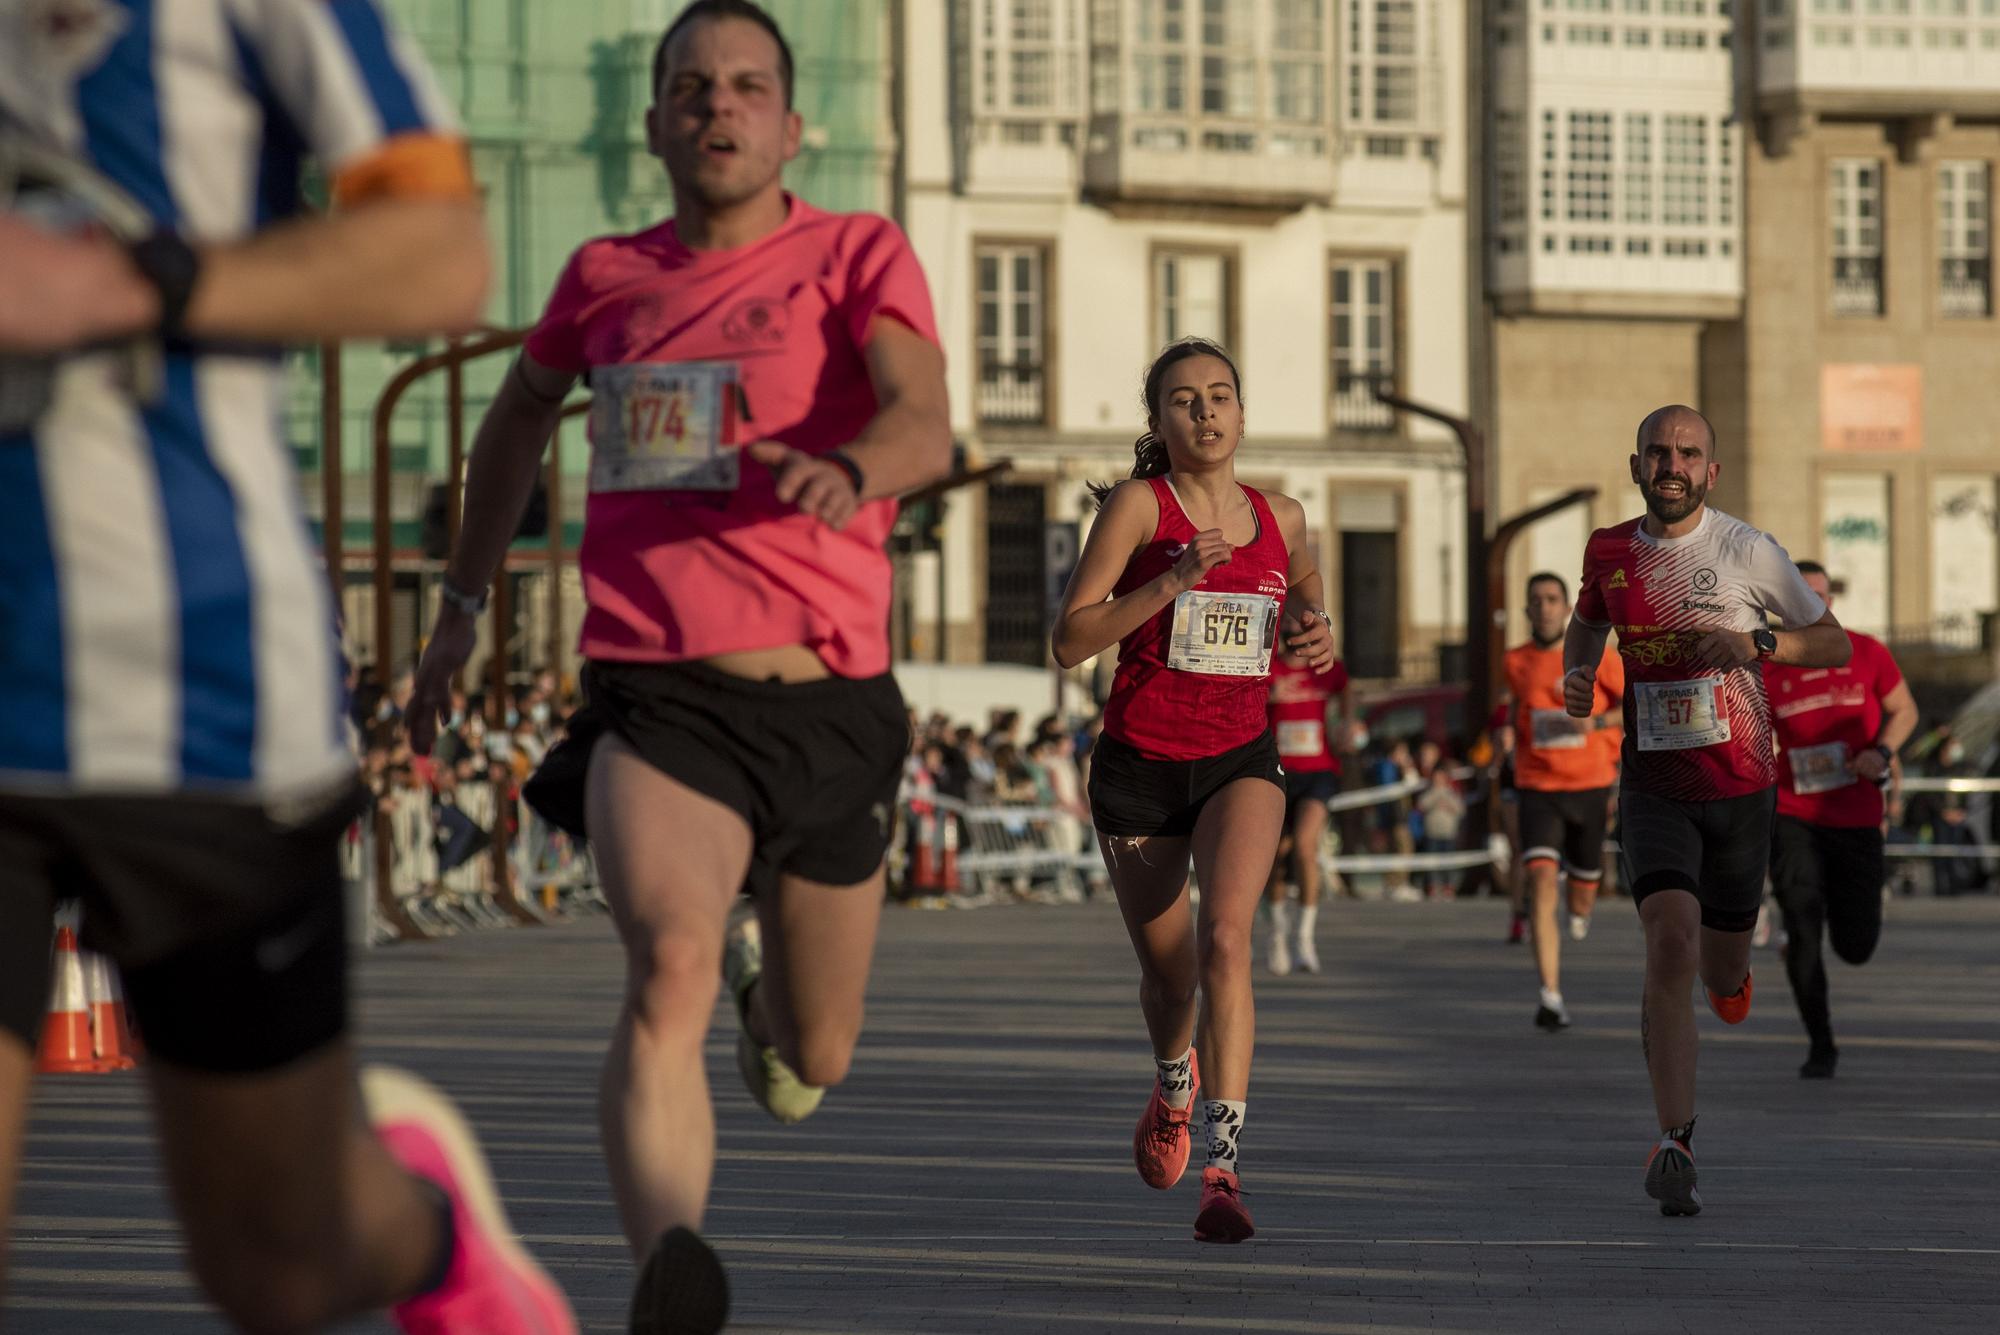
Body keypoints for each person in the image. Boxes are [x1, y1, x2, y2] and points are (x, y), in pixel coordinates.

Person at [0, 3, 579, 1331]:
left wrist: (127, 283)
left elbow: (440, 254)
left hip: (192, 678)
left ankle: (430, 1236)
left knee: (278, 1265)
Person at [405, 2, 951, 1328]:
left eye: (749, 85)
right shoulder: (604, 278)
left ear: (791, 124)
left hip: (827, 703)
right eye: (693, 86)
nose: (720, 105)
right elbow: (517, 420)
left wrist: (853, 468)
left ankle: (769, 1007)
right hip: (660, 696)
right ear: (653, 122)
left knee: (818, 1052)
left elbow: (924, 420)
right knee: (665, 963)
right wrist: (461, 606)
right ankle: (669, 1264)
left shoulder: (855, 252)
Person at [1052, 337, 1336, 1244]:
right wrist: (1173, 580)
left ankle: (1225, 1167)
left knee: (1226, 939)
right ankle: (1174, 1081)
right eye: (1184, 399)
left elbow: (1305, 580)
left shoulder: (1282, 514)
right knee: (1171, 979)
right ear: (1160, 420)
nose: (1205, 412)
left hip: (1238, 758)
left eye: (1220, 395)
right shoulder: (1140, 507)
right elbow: (1070, 639)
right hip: (1139, 766)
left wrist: (1314, 622)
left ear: (1243, 413)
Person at [1564, 405, 1849, 1218]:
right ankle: (1675, 1141)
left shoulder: (1746, 550)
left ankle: (1736, 976)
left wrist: (1761, 643)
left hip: (1740, 788)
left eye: (1688, 453)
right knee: (1669, 941)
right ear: (1636, 466)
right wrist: (1577, 676)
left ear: (1710, 472)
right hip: (1654, 785)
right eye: (1658, 452)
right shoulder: (1610, 550)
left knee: (1720, 971)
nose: (1672, 465)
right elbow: (1586, 627)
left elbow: (1833, 642)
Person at [1763, 561, 1918, 1077]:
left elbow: (1905, 710)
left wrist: (1881, 751)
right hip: (1794, 814)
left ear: (1832, 602)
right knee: (1803, 928)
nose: (1815, 605)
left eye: (1822, 596)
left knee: (1855, 946)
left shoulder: (1866, 651)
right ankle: (1820, 1045)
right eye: (1802, 596)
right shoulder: (1767, 666)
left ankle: (1835, 909)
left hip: (1856, 818)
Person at [1504, 572, 1624, 1031]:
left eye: (1553, 599)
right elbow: (1515, 710)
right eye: (1536, 600)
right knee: (1540, 880)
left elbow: (1633, 704)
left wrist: (1595, 724)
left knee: (1582, 892)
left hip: (1590, 784)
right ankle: (1550, 994)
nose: (1545, 607)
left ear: (1567, 607)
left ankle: (1580, 909)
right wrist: (1505, 736)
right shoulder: (1515, 661)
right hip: (1537, 785)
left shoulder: (1600, 657)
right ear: (1527, 610)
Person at [1263, 645, 1351, 974]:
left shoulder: (1326, 667)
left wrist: (1347, 722)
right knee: (1275, 855)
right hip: (1276, 771)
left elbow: (1346, 687)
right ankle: (1277, 933)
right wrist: (1270, 696)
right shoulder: (1268, 665)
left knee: (1304, 845)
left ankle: (1304, 937)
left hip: (1318, 771)